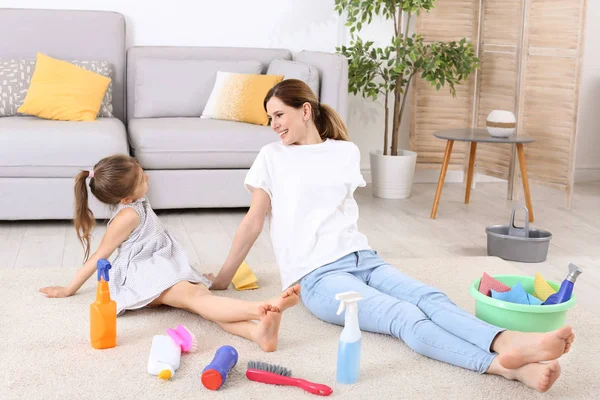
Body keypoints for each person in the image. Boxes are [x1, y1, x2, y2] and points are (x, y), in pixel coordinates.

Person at [204, 79, 575, 392]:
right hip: (317, 277)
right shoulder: (272, 156)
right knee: (403, 315)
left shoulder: (345, 152)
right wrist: (221, 281)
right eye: (270, 118)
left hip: (363, 258)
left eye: (279, 115)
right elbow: (253, 222)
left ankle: (507, 341)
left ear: (306, 110)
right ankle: (504, 367)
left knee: (430, 297)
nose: (274, 125)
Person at [39, 154, 300, 352]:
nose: (148, 178)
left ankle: (258, 335)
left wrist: (190, 274)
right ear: (126, 200)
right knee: (197, 299)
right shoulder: (126, 216)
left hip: (161, 262)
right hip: (144, 273)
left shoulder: (136, 202)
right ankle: (259, 310)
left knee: (201, 299)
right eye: (142, 179)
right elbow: (100, 257)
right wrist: (68, 288)